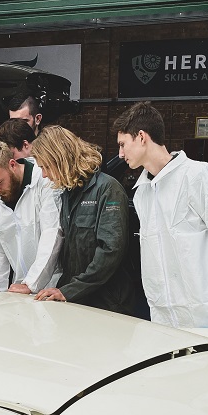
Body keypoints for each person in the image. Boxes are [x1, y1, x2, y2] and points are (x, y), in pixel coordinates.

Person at [113, 101, 208, 333]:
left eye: (122, 144)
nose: (120, 154)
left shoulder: (200, 176)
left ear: (141, 137)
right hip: (166, 318)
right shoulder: (142, 193)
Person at [30, 126, 135, 314]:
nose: (44, 175)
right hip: (76, 300)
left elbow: (110, 251)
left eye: (45, 166)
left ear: (60, 158)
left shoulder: (108, 189)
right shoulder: (65, 193)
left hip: (107, 304)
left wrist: (69, 290)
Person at [0, 140, 62, 295]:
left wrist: (32, 283)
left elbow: (52, 233)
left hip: (54, 285)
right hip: (20, 288)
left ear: (12, 164)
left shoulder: (44, 181)